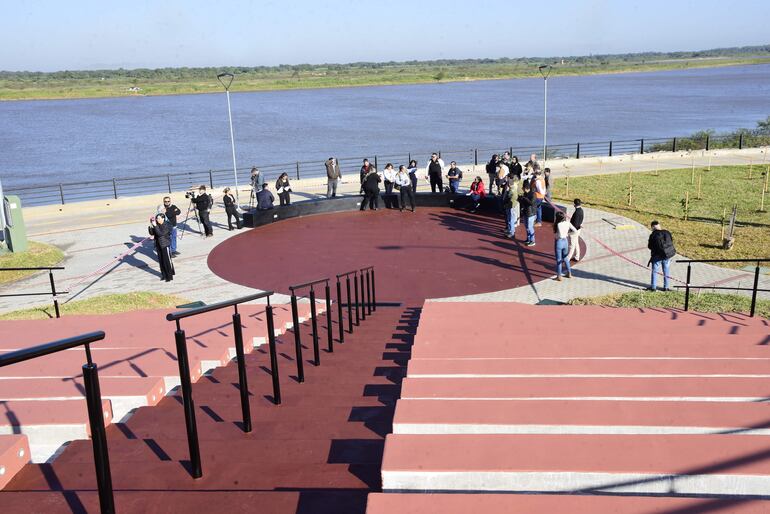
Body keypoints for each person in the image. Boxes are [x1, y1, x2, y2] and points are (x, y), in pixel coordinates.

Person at [647, 220, 676, 291]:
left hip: (657, 256)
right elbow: (671, 241)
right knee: (666, 270)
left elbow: (650, 246)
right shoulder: (667, 232)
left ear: (653, 227)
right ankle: (666, 287)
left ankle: (653, 287)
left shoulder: (653, 235)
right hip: (667, 255)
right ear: (659, 225)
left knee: (655, 271)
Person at [148, 213, 174, 282]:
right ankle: (164, 275)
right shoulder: (157, 225)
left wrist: (155, 226)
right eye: (156, 218)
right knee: (161, 261)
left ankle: (169, 276)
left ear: (163, 218)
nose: (157, 220)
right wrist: (151, 225)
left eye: (158, 218)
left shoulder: (166, 225)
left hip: (165, 245)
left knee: (167, 261)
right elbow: (152, 233)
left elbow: (160, 234)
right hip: (158, 245)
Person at [553, 210, 577, 281]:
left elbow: (559, 235)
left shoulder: (558, 224)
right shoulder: (567, 223)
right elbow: (575, 231)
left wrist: (562, 235)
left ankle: (559, 276)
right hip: (565, 241)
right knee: (565, 258)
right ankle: (569, 273)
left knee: (559, 260)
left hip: (559, 242)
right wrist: (568, 234)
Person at [519, 182, 537, 246]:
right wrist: (520, 199)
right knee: (526, 227)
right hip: (526, 212)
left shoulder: (533, 194)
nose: (522, 190)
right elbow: (524, 202)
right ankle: (528, 239)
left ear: (526, 188)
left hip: (531, 213)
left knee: (530, 227)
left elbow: (531, 203)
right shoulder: (525, 193)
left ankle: (532, 240)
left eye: (523, 188)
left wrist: (525, 198)